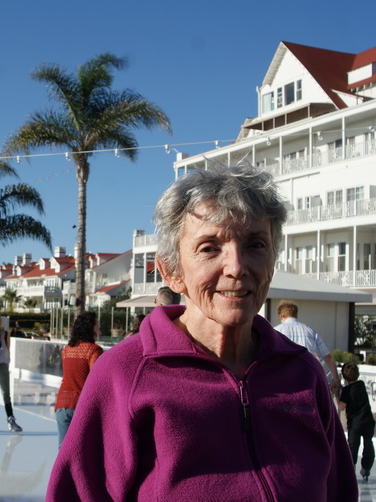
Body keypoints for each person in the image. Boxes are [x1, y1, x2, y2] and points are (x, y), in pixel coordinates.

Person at [47, 165, 356, 500]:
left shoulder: (303, 373)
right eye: (209, 248)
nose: (237, 266)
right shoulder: (124, 374)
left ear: (272, 261)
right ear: (172, 272)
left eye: (255, 244)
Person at [53, 311, 102, 448]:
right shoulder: (94, 350)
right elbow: (95, 380)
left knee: (63, 451)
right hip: (81, 407)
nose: (99, 330)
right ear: (90, 328)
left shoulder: (67, 349)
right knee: (82, 451)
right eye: (97, 326)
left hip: (62, 405)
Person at [274, 301, 340, 396]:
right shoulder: (310, 332)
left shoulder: (275, 332)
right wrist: (336, 379)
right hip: (307, 381)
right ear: (296, 315)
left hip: (283, 382)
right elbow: (328, 358)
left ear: (280, 316)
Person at [339, 362, 375, 481]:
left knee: (353, 447)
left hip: (355, 424)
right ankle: (366, 468)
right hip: (368, 420)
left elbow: (341, 406)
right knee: (368, 444)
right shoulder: (361, 384)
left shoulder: (346, 391)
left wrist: (335, 394)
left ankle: (350, 469)